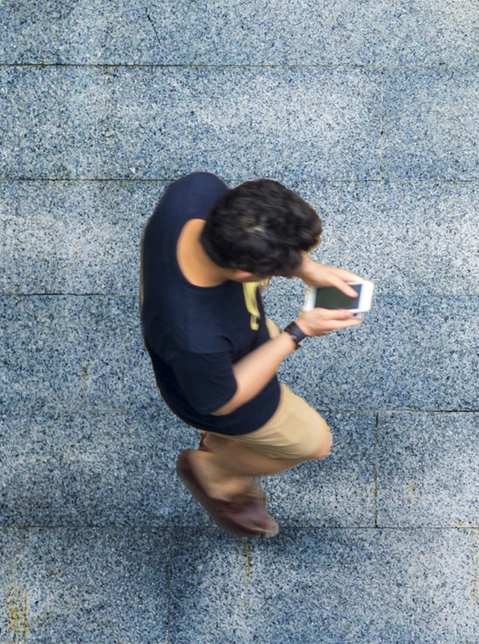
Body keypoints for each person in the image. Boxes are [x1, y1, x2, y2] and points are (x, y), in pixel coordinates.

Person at [140, 173, 363, 537]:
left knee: (265, 334)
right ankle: (217, 473)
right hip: (215, 391)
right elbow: (222, 399)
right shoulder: (194, 335)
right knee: (315, 442)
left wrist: (308, 270)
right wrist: (299, 331)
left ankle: (223, 451)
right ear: (244, 272)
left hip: (216, 348)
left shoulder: (197, 190)